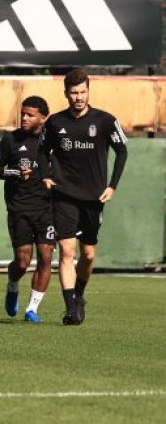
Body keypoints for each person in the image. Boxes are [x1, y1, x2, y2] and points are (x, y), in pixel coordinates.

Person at [40, 69, 129, 326]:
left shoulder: (105, 120)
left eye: (82, 92)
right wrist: (45, 175)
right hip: (64, 194)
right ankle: (71, 309)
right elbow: (42, 151)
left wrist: (112, 186)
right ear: (65, 93)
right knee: (67, 251)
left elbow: (122, 151)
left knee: (88, 255)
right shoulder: (55, 122)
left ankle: (79, 295)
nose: (78, 97)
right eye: (74, 92)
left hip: (94, 197)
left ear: (88, 91)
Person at [0, 96, 53, 323]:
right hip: (19, 208)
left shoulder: (53, 141)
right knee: (23, 262)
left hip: (47, 209)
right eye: (23, 113)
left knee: (46, 257)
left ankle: (32, 309)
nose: (24, 118)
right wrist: (15, 172)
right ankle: (13, 284)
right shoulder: (11, 139)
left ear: (43, 118)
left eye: (30, 115)